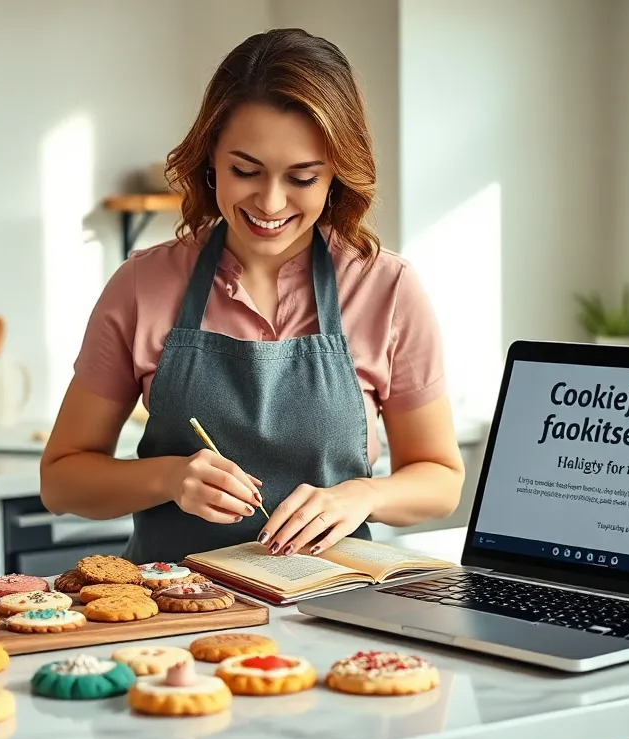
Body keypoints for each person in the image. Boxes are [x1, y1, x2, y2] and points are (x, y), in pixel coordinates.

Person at [40, 28, 464, 564]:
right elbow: (62, 480)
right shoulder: (142, 286)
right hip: (174, 620)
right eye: (246, 171)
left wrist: (364, 495)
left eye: (303, 178)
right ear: (209, 158)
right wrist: (169, 478)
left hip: (334, 609)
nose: (270, 201)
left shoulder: (387, 289)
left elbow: (441, 478)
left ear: (336, 175)